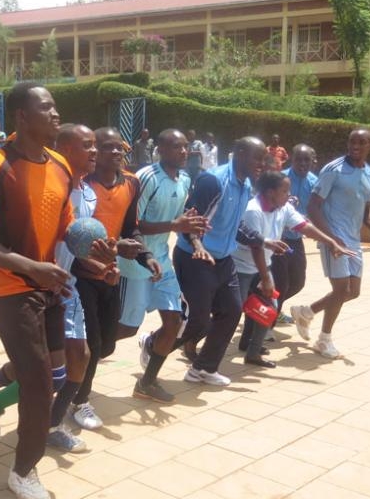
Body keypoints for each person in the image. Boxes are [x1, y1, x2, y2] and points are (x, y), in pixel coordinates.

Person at [0, 82, 74, 499]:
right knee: (40, 382)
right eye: (47, 109)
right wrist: (32, 269)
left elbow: (66, 226)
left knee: (49, 370)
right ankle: (24, 471)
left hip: (50, 284)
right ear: (22, 117)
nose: (56, 115)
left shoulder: (61, 165)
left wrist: (100, 252)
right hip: (9, 287)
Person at [0, 123, 106, 453]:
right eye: (87, 145)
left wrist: (106, 261)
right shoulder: (9, 170)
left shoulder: (79, 186)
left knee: (51, 370)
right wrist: (30, 268)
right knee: (52, 373)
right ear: (64, 148)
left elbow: (76, 240)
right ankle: (37, 441)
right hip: (20, 286)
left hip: (60, 286)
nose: (95, 151)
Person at [115, 129, 208, 404]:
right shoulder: (147, 178)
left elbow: (181, 219)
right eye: (177, 147)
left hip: (162, 262)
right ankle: (78, 359)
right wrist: (174, 226)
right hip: (135, 263)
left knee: (174, 320)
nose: (183, 152)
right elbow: (132, 224)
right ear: (162, 150)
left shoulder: (185, 180)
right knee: (126, 328)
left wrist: (196, 242)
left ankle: (147, 382)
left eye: (186, 147)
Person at [70, 126, 155, 427]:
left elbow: (132, 226)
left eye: (119, 147)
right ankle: (80, 401)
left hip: (110, 273)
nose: (116, 152)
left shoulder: (131, 183)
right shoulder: (81, 184)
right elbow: (74, 236)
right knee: (91, 344)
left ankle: (68, 379)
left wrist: (146, 256)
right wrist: (112, 250)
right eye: (107, 147)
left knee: (106, 345)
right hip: (79, 274)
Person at [173, 137, 271, 385]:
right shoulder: (214, 181)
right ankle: (153, 343)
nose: (261, 163)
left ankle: (203, 369)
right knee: (199, 321)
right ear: (238, 152)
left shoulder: (245, 185)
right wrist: (198, 246)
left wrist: (263, 241)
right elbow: (190, 221)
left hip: (223, 258)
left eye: (263, 158)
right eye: (256, 158)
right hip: (195, 256)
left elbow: (233, 224)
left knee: (231, 311)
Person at [234, 170, 355, 368]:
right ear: (271, 192)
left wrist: (330, 241)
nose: (288, 195)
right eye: (284, 191)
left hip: (263, 263)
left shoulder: (284, 207)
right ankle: (199, 349)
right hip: (241, 267)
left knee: (268, 308)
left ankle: (252, 352)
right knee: (231, 312)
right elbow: (256, 246)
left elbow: (304, 226)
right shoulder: (253, 210)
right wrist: (266, 279)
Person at [290, 128, 370, 359]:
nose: (356, 146)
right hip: (333, 239)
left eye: (362, 143)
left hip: (353, 240)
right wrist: (330, 238)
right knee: (341, 289)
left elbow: (364, 206)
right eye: (352, 142)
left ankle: (306, 311)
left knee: (353, 292)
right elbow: (313, 206)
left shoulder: (369, 174)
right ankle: (324, 340)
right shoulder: (333, 170)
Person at [271, 144, 318, 323]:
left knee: (298, 282)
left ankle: (272, 307)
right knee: (280, 282)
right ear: (292, 159)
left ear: (313, 162)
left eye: (307, 160)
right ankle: (267, 319)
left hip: (296, 238)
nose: (303, 163)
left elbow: (317, 209)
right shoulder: (281, 178)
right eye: (299, 159)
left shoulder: (314, 182)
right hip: (278, 238)